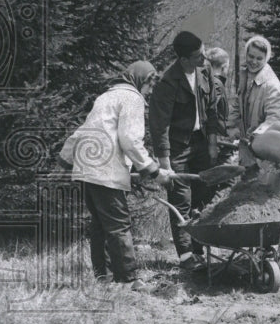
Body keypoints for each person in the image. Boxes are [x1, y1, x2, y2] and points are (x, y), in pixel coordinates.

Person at [59, 61, 174, 290]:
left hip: (86, 167)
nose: (149, 93)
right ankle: (129, 279)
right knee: (119, 224)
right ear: (143, 80)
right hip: (104, 168)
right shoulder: (132, 98)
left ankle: (105, 279)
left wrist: (66, 157)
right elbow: (130, 139)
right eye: (150, 87)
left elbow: (84, 129)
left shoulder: (106, 97)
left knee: (101, 225)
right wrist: (153, 170)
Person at [148, 30, 219, 269]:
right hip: (177, 148)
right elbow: (159, 125)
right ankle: (187, 255)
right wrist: (165, 163)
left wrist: (211, 143)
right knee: (181, 199)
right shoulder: (167, 82)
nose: (204, 59)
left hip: (201, 142)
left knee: (203, 194)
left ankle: (200, 247)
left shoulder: (205, 71)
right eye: (198, 56)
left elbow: (212, 109)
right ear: (183, 59)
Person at [230, 35, 280, 171]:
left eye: (259, 58)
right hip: (246, 149)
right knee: (247, 185)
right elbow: (237, 106)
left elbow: (275, 118)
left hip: (265, 151)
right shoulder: (245, 77)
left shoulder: (272, 85)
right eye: (251, 56)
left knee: (262, 188)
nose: (254, 61)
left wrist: (257, 136)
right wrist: (231, 127)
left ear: (266, 59)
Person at [204, 47, 233, 165]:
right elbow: (210, 111)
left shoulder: (206, 81)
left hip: (213, 139)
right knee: (227, 179)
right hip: (218, 141)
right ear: (224, 67)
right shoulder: (216, 83)